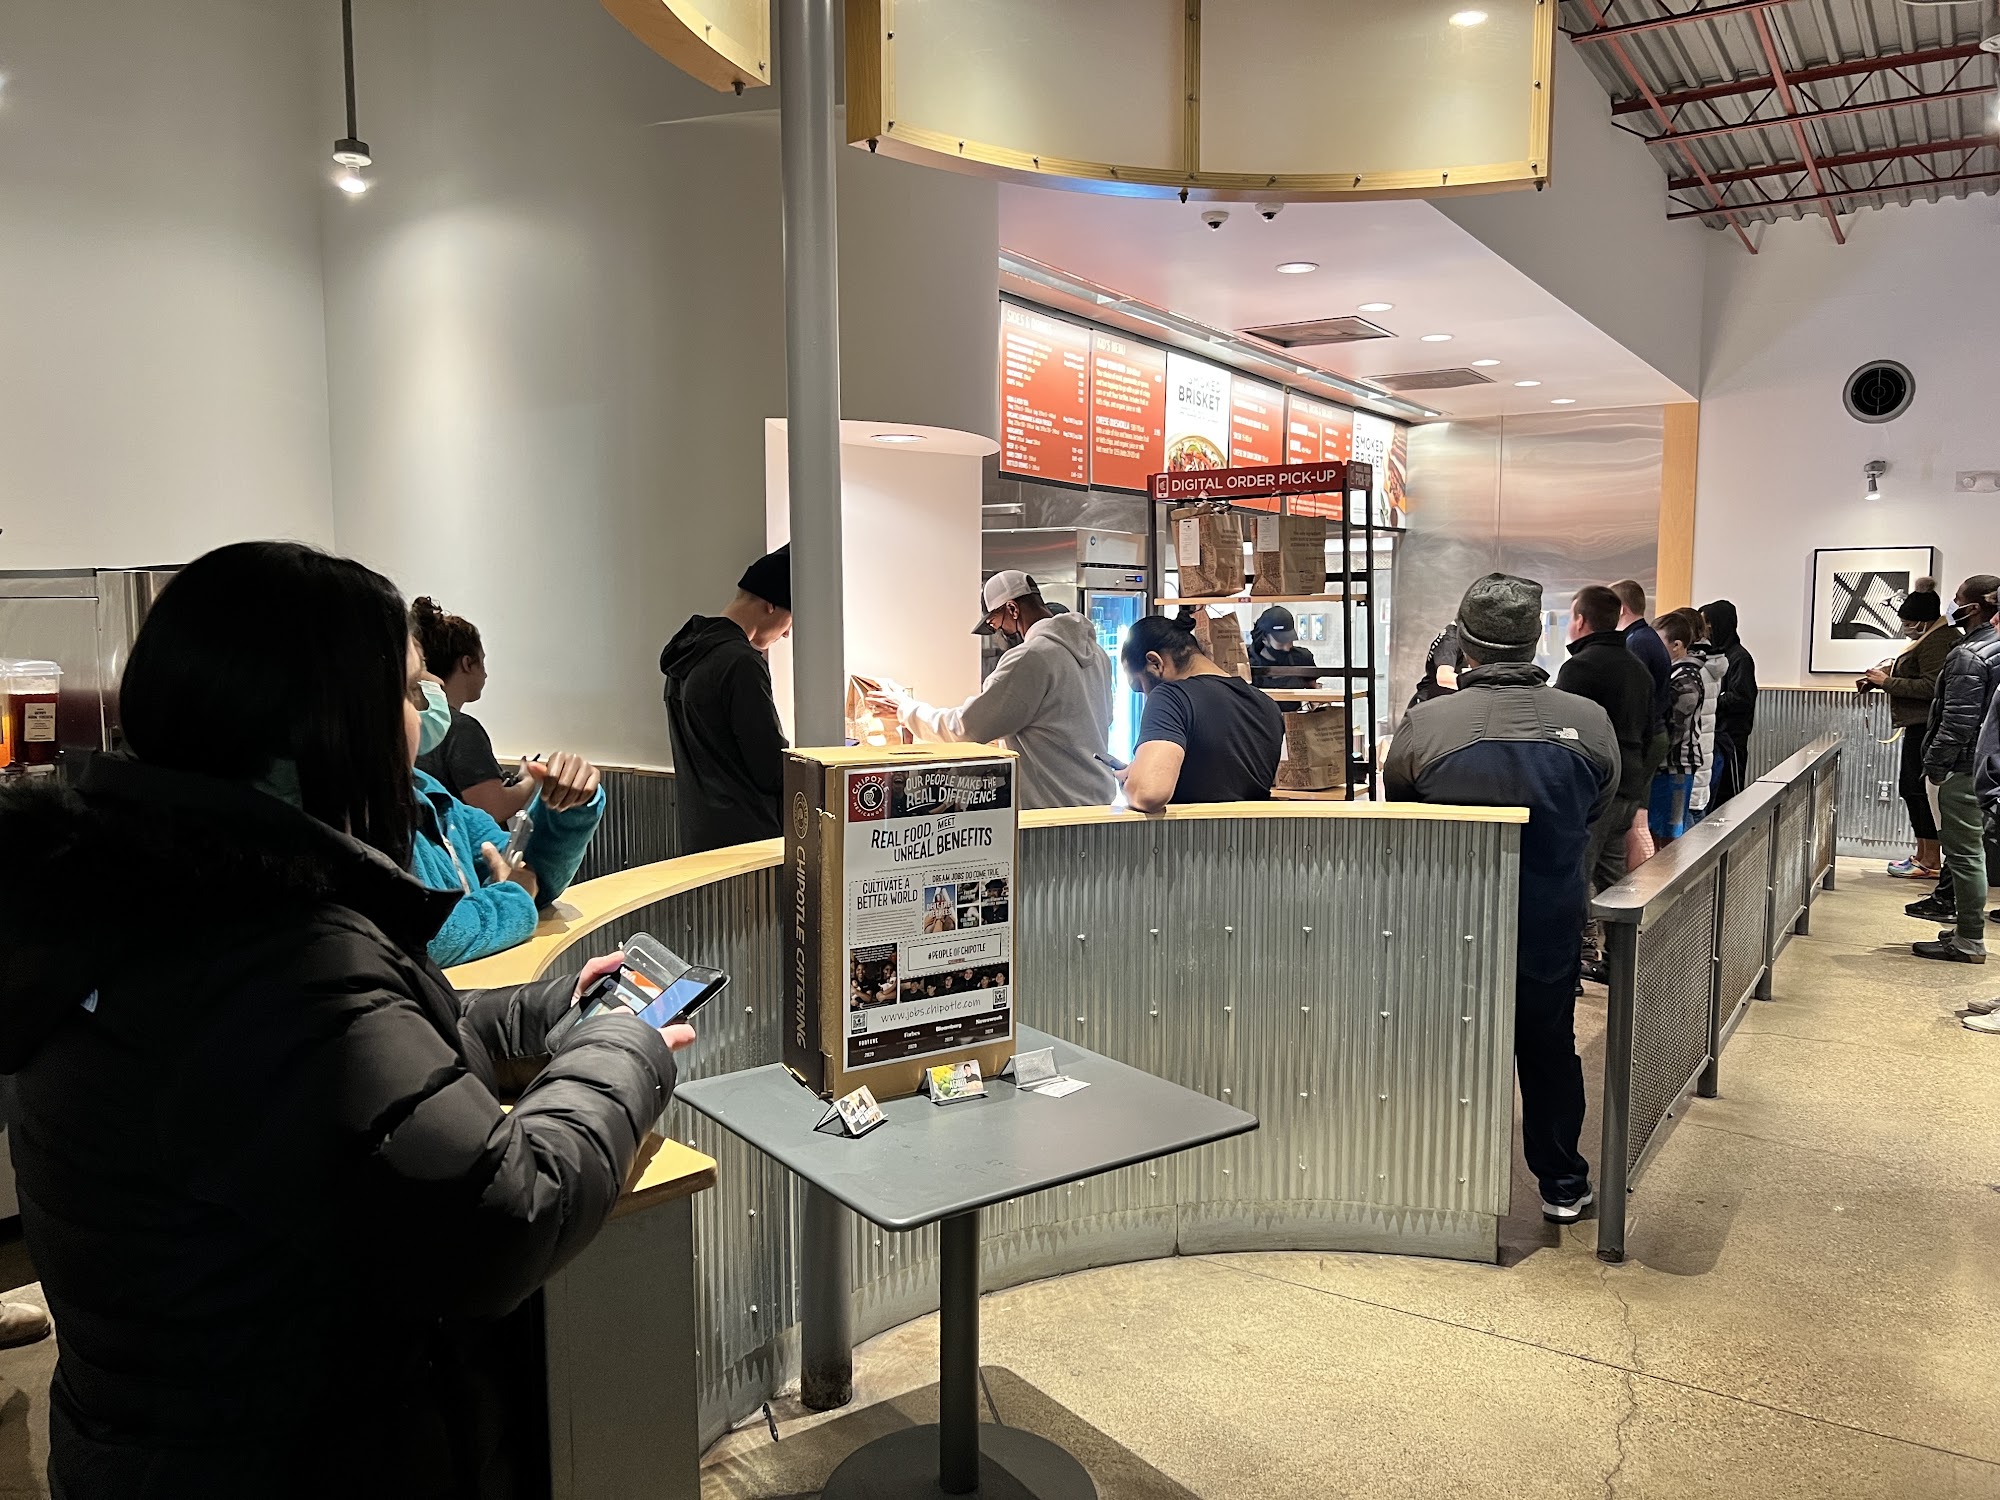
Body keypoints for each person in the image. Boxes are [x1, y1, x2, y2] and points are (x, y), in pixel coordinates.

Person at [0, 541, 691, 1497]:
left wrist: (540, 1014)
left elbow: (369, 1067)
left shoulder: (154, 888)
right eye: (407, 692)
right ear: (325, 718)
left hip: (164, 1439)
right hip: (290, 1462)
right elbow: (504, 1216)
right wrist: (626, 1045)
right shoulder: (265, 955)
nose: (423, 715)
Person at [1384, 574, 1619, 1224]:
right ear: (1536, 638)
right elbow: (1597, 806)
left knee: (1442, 1046)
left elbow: (1402, 815)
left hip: (1446, 926)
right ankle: (1562, 1183)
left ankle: (1439, 1179)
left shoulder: (1425, 725)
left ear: (1464, 642)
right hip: (1548, 917)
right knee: (1548, 1048)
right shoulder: (1589, 721)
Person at [878, 571, 1116, 810]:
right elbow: (1095, 721)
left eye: (995, 624)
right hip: (1100, 805)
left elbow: (967, 728)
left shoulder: (1030, 657)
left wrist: (906, 710)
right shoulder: (1097, 654)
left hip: (1056, 810)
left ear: (1013, 609)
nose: (999, 635)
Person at [661, 545, 793, 853]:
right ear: (771, 604)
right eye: (791, 617)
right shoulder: (740, 663)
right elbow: (771, 770)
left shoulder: (687, 654)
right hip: (749, 843)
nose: (787, 634)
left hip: (701, 838)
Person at [1556, 586, 1655, 940]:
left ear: (1581, 621)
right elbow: (1652, 733)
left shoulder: (1578, 668)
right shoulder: (1638, 670)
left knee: (1578, 872)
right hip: (1629, 785)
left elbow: (1563, 734)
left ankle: (1581, 950)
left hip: (1594, 788)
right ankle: (1621, 953)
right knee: (1614, 875)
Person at [1910, 575, 2000, 964]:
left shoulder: (1970, 654)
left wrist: (1935, 766)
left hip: (1965, 767)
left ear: (1974, 607)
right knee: (1974, 852)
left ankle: (1969, 939)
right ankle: (1967, 930)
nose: (1952, 604)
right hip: (1988, 763)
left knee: (1964, 855)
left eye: (1958, 599)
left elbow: (1958, 721)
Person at [1118, 612, 1284, 812]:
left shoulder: (1171, 697)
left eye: (1139, 686)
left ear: (1155, 663)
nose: (1145, 696)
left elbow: (1148, 794)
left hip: (1190, 832)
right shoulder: (1267, 705)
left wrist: (1130, 781)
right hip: (1251, 832)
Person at [1862, 579, 1957, 879]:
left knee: (1917, 790)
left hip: (1927, 726)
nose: (1904, 629)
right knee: (1912, 789)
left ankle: (1930, 860)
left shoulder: (1938, 640)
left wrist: (1887, 682)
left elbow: (1931, 686)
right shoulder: (1931, 636)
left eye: (1906, 623)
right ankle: (1924, 855)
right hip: (1920, 725)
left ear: (1922, 620)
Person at [412, 596, 533, 824]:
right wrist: (528, 780)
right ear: (467, 663)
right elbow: (493, 808)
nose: (485, 674)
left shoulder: (412, 726)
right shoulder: (462, 729)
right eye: (482, 663)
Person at [1651, 612, 1707, 843]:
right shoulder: (1673, 672)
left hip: (1676, 765)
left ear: (1677, 645)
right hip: (1669, 766)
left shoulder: (1686, 678)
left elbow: (1675, 728)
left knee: (1669, 835)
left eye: (1658, 643)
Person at [1699, 599, 1758, 805]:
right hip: (1711, 739)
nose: (1704, 630)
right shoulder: (1712, 657)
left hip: (1730, 742)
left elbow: (1742, 698)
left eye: (1707, 623)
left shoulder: (1739, 658)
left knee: (1727, 800)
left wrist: (1710, 700)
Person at [1673, 607, 1728, 825]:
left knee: (1686, 824)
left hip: (1689, 755)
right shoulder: (1712, 663)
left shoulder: (1692, 668)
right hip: (1704, 751)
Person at [1248, 606, 1328, 695]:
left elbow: (1313, 688)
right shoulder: (1247, 663)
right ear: (1264, 638)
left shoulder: (1302, 658)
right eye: (1281, 643)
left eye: (1290, 641)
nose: (1287, 648)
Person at [1406, 621, 1465, 713]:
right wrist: (1476, 679)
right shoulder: (1451, 639)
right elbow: (1444, 677)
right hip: (1429, 703)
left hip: (1443, 702)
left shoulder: (1458, 636)